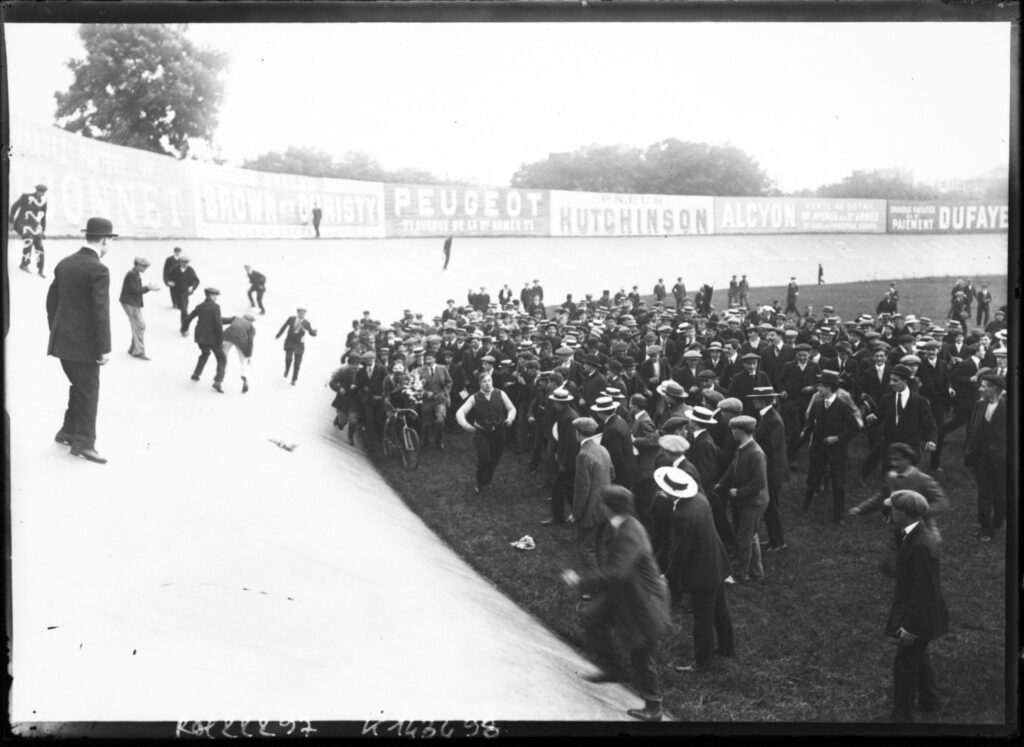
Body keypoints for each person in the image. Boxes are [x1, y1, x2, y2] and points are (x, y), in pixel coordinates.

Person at [560, 485, 671, 722]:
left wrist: (581, 582)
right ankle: (614, 669)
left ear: (609, 508)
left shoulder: (629, 532)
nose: (598, 506)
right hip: (625, 593)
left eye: (601, 503)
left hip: (644, 603)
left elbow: (617, 573)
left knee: (641, 654)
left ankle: (654, 706)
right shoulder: (625, 524)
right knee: (592, 617)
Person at [47, 216, 115, 464]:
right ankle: (84, 443)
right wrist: (105, 348)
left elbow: (51, 302)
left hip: (62, 344)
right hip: (84, 348)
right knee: (89, 391)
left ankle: (67, 432)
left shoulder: (65, 263)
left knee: (79, 386)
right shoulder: (99, 270)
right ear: (105, 240)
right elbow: (101, 311)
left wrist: (57, 333)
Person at [659, 466, 735, 673]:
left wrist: (668, 576)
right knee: (720, 608)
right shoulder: (700, 499)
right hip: (716, 561)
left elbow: (680, 552)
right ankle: (727, 647)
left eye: (665, 490)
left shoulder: (683, 514)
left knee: (702, 618)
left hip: (702, 571)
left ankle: (703, 662)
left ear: (673, 492)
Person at [883, 490, 949, 722]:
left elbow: (924, 592)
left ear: (904, 513)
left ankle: (902, 715)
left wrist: (910, 627)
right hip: (921, 611)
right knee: (918, 656)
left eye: (893, 509)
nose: (890, 512)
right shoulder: (911, 533)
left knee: (904, 664)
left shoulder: (919, 544)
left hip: (919, 615)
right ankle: (930, 701)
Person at [801, 370, 861, 524]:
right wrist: (806, 433)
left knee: (838, 484)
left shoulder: (842, 406)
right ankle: (805, 506)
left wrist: (837, 438)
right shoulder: (818, 403)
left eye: (821, 386)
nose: (818, 389)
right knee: (813, 479)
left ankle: (838, 515)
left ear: (830, 388)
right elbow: (811, 422)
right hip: (819, 449)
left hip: (837, 451)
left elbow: (854, 428)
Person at [714, 415, 768, 583]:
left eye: (733, 429)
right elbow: (732, 470)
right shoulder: (742, 448)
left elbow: (759, 482)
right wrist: (720, 484)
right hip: (747, 500)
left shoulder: (756, 453)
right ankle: (756, 572)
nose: (731, 432)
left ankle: (739, 575)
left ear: (741, 431)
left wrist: (739, 492)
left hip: (753, 502)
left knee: (744, 538)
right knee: (751, 536)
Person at [566, 416, 613, 575]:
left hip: (590, 511)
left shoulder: (583, 455)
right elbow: (612, 473)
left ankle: (594, 587)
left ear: (578, 433)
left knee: (586, 549)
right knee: (599, 547)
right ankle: (603, 581)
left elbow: (582, 489)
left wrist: (575, 514)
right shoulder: (603, 449)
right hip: (605, 507)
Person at [456, 372, 517, 494]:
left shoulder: (500, 394)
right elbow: (460, 412)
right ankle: (479, 481)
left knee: (494, 459)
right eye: (484, 381)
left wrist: (510, 418)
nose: (487, 384)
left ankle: (487, 481)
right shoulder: (475, 397)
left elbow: (511, 408)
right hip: (482, 433)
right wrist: (466, 426)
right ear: (480, 384)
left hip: (499, 432)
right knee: (484, 458)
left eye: (489, 380)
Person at [964, 372, 1007, 542]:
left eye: (984, 386)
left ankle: (998, 519)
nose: (980, 389)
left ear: (994, 389)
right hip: (981, 457)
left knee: (1000, 493)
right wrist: (969, 449)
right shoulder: (979, 405)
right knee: (984, 493)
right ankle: (985, 527)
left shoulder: (1007, 407)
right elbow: (972, 428)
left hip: (1001, 460)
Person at [749, 386, 789, 551]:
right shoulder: (766, 416)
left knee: (772, 507)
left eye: (755, 399)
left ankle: (778, 541)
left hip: (773, 471)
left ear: (761, 400)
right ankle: (775, 540)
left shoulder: (773, 419)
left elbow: (770, 447)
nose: (752, 401)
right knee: (770, 507)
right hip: (770, 469)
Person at [542, 387, 580, 526]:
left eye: (555, 402)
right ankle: (577, 514)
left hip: (569, 461)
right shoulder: (566, 413)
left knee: (558, 488)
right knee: (569, 489)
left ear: (560, 403)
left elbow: (571, 443)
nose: (553, 404)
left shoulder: (568, 417)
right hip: (569, 459)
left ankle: (558, 518)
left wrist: (564, 462)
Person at [182, 287, 228, 393]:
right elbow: (217, 323)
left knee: (205, 353)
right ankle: (218, 381)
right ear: (211, 296)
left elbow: (188, 318)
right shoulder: (216, 307)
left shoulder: (199, 306)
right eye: (215, 295)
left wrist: (184, 329)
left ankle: (196, 374)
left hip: (200, 337)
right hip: (213, 339)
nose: (216, 297)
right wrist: (220, 339)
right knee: (222, 359)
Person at [119, 257, 160, 361]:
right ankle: (139, 351)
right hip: (130, 303)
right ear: (137, 265)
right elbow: (134, 290)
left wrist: (147, 288)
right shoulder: (132, 274)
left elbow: (135, 290)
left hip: (130, 302)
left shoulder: (134, 273)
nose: (145, 269)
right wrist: (148, 288)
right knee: (139, 326)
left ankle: (133, 348)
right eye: (144, 266)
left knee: (137, 325)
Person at [415, 350, 452, 449]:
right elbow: (416, 385)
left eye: (430, 358)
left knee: (440, 420)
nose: (428, 361)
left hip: (440, 399)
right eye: (426, 359)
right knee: (425, 423)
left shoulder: (442, 368)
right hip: (427, 400)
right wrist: (425, 392)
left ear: (434, 359)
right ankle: (425, 441)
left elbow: (449, 382)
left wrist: (445, 393)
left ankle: (439, 441)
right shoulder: (421, 370)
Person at [10, 183, 48, 276]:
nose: (41, 194)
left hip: (34, 225)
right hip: (21, 223)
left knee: (39, 244)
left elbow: (43, 216)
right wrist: (10, 222)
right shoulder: (26, 197)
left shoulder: (44, 201)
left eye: (43, 192)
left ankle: (40, 270)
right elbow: (14, 207)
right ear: (37, 190)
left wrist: (43, 230)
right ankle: (24, 264)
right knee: (29, 239)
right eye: (40, 192)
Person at [275, 308, 318, 385]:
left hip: (299, 344)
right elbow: (284, 326)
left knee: (297, 363)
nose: (302, 315)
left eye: (303, 314)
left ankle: (294, 379)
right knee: (288, 358)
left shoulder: (306, 323)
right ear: (297, 313)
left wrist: (315, 333)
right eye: (300, 313)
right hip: (290, 342)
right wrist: (278, 334)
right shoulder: (291, 319)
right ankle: (287, 369)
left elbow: (311, 332)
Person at [222, 312, 256, 393]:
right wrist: (248, 355)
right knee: (243, 360)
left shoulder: (236, 318)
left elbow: (222, 320)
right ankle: (244, 376)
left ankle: (222, 372)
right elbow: (250, 342)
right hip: (240, 339)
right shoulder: (251, 327)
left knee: (224, 354)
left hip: (228, 334)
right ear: (251, 321)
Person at [169, 255, 200, 331]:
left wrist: (192, 287)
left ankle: (184, 329)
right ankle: (176, 304)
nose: (185, 264)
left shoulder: (190, 270)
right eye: (183, 262)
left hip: (184, 293)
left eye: (186, 263)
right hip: (176, 292)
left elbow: (196, 280)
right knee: (181, 308)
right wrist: (169, 282)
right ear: (180, 262)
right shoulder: (175, 269)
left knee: (184, 310)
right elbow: (168, 276)